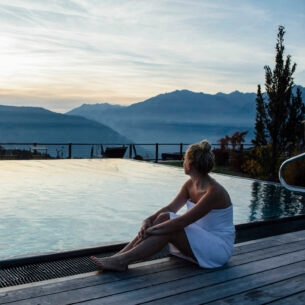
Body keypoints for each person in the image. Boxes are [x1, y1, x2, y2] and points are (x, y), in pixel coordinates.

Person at [91, 140, 235, 271]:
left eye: (184, 159)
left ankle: (122, 260)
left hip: (218, 249)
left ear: (189, 165)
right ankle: (119, 257)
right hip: (199, 241)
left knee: (171, 226)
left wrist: (153, 230)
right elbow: (170, 209)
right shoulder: (190, 185)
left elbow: (183, 221)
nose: (182, 161)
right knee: (164, 217)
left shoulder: (214, 192)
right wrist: (147, 221)